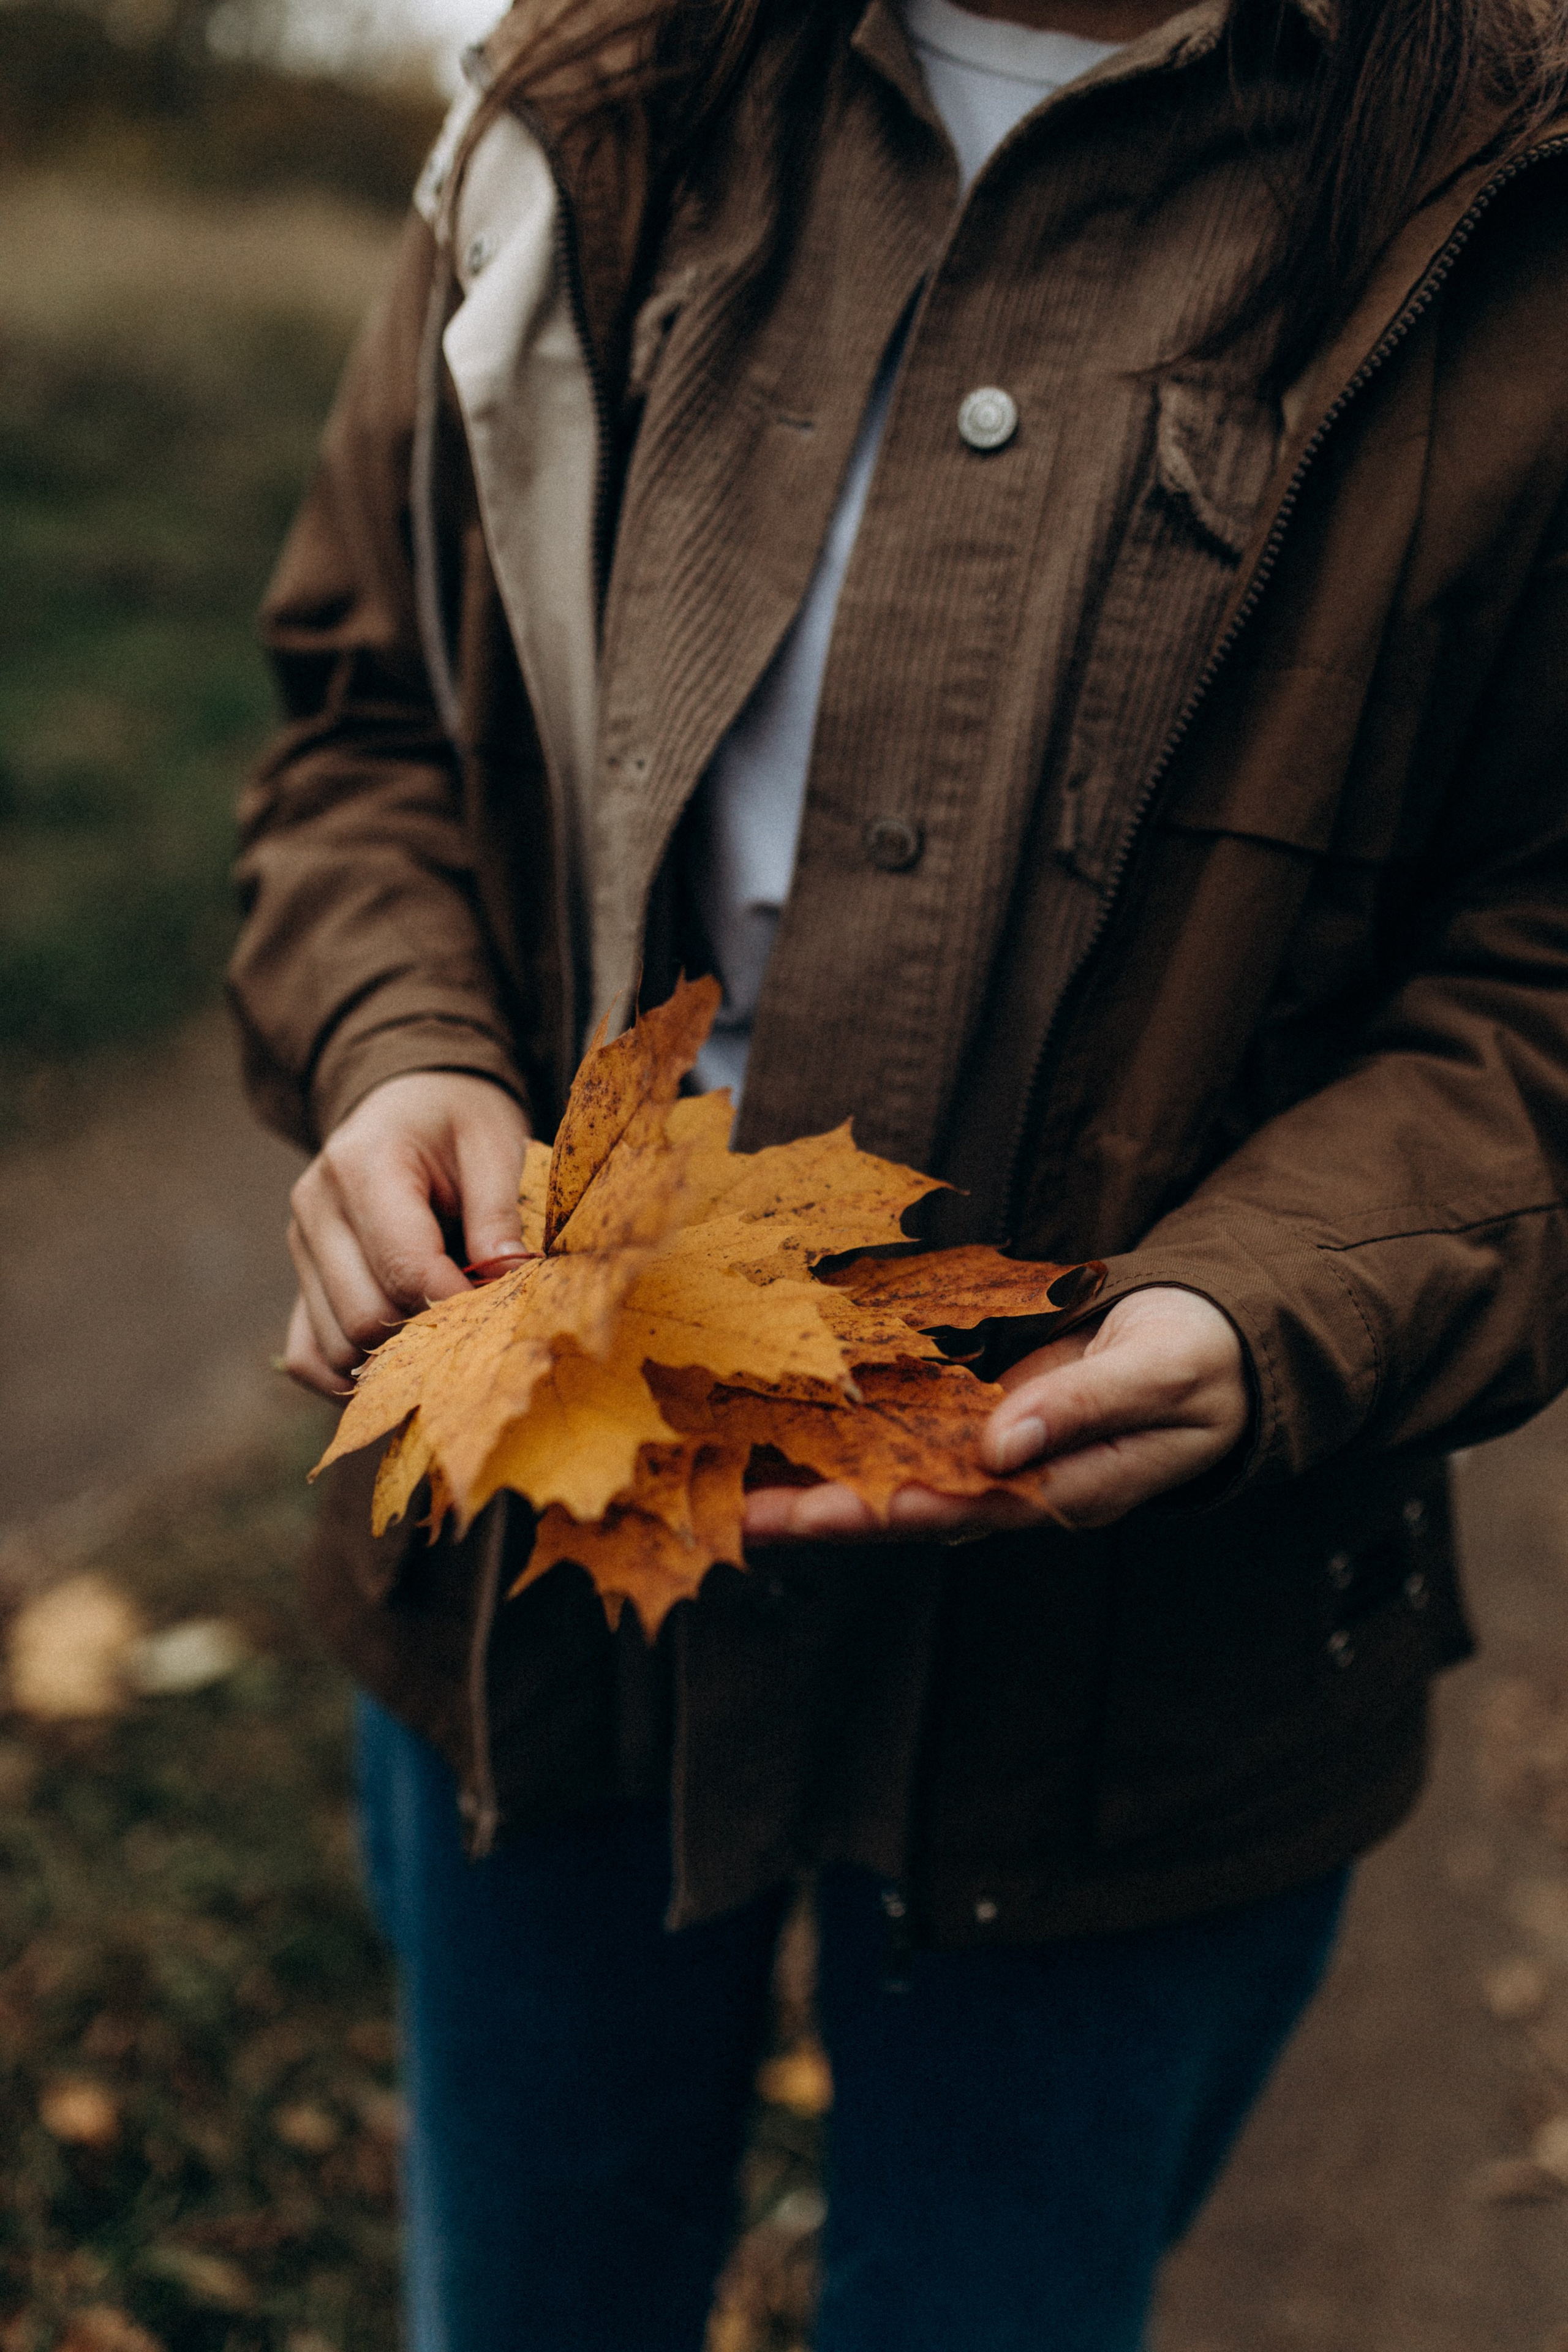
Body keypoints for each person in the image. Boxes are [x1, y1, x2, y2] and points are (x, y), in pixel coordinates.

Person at [229, 0, 1568, 2342]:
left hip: (1137, 1659)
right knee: (529, 2298)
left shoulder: (1510, 190)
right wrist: (399, 1040)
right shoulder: (594, 103)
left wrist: (1275, 1306)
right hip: (544, 1535)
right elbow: (373, 724)